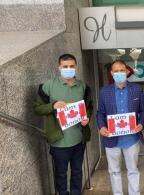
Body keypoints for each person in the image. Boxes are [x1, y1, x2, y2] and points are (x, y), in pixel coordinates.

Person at [33, 54, 92, 195]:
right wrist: (53, 105)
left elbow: (88, 106)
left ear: (76, 67)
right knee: (61, 174)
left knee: (77, 171)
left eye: (71, 66)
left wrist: (87, 117)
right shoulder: (48, 86)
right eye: (65, 67)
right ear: (59, 67)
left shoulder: (82, 86)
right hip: (59, 142)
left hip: (78, 139)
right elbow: (37, 108)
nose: (68, 69)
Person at [96, 59, 144, 195]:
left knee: (133, 170)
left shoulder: (136, 89)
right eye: (116, 71)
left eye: (122, 70)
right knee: (114, 171)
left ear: (126, 72)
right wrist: (101, 127)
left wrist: (141, 124)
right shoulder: (104, 91)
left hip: (131, 138)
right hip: (112, 139)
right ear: (112, 73)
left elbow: (143, 111)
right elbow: (100, 113)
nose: (119, 73)